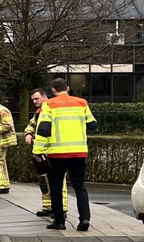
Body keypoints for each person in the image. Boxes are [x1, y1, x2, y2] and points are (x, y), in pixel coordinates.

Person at [33, 78, 96, 231]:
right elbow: (92, 125)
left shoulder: (49, 104)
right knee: (80, 186)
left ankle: (59, 221)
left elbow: (42, 130)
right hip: (79, 152)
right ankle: (85, 219)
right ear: (67, 88)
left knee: (56, 186)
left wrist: (37, 151)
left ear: (53, 90)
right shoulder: (82, 103)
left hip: (57, 154)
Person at [23, 87, 66, 219]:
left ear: (44, 97)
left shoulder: (53, 109)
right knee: (44, 179)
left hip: (54, 150)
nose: (34, 101)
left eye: (36, 98)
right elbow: (31, 125)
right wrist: (29, 134)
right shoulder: (38, 112)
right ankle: (48, 206)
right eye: (33, 100)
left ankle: (61, 209)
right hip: (41, 151)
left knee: (59, 181)